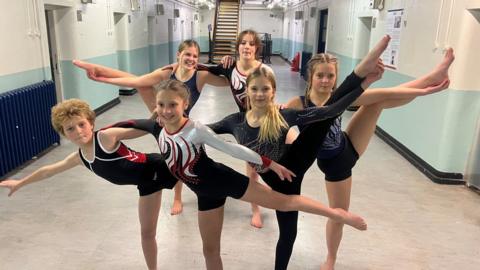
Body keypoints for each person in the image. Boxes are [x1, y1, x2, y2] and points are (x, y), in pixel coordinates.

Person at [120, 79, 368, 270]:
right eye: (161, 105)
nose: (166, 110)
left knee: (283, 202)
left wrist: (270, 164)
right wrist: (98, 135)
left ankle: (338, 215)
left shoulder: (196, 129)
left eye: (172, 104)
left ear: (185, 105)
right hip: (205, 194)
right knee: (210, 251)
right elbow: (130, 123)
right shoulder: (157, 128)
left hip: (224, 180)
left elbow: (233, 149)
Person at [207, 35, 393, 270]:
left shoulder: (285, 115)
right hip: (279, 182)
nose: (260, 94)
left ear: (273, 92)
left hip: (296, 162)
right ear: (247, 91)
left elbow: (333, 108)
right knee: (288, 235)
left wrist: (364, 84)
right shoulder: (233, 121)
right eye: (255, 89)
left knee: (326, 116)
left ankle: (364, 67)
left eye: (266, 89)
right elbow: (202, 131)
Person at [285, 48, 454, 270]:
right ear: (310, 76)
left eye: (330, 76)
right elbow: (280, 129)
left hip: (349, 143)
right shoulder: (298, 104)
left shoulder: (340, 98)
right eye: (320, 76)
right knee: (339, 215)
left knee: (381, 99)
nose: (325, 81)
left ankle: (431, 77)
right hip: (336, 165)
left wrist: (425, 90)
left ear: (336, 78)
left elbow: (388, 94)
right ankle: (331, 258)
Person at [0, 99, 179, 270]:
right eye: (70, 128)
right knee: (147, 233)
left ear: (91, 123)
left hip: (158, 166)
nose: (78, 131)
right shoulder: (80, 158)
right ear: (63, 134)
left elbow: (140, 129)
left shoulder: (105, 137)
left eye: (81, 124)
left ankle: (178, 197)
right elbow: (48, 170)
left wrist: (157, 116)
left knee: (200, 186)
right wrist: (20, 182)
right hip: (146, 183)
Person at [73, 39, 229, 215]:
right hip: (161, 112)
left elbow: (228, 82)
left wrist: (226, 66)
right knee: (142, 83)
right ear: (179, 55)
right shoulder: (169, 71)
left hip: (181, 123)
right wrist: (102, 79)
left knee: (186, 160)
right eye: (187, 54)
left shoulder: (201, 75)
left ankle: (190, 192)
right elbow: (138, 81)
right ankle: (178, 197)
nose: (191, 58)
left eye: (195, 55)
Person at [205, 29, 298, 228]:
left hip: (268, 116)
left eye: (251, 43)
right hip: (248, 122)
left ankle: (285, 196)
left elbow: (271, 92)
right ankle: (255, 208)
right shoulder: (229, 66)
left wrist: (279, 106)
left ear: (256, 48)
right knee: (253, 169)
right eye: (243, 43)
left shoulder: (265, 70)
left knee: (290, 147)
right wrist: (177, 65)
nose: (247, 46)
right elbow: (204, 68)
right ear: (238, 46)